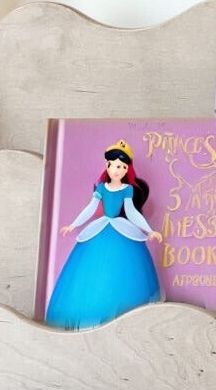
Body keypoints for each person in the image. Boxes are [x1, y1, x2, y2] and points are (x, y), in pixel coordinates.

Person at [44, 140, 162, 328]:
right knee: (89, 270)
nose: (117, 170)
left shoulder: (128, 190)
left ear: (127, 170)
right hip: (100, 229)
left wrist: (149, 230)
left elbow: (131, 212)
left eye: (122, 167)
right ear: (107, 165)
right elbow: (91, 208)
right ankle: (86, 319)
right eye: (113, 165)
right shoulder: (101, 188)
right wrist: (73, 225)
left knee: (126, 270)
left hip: (122, 230)